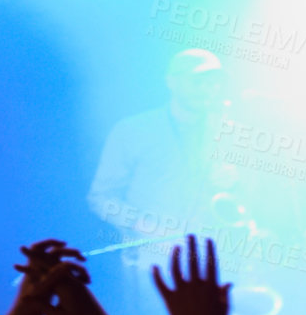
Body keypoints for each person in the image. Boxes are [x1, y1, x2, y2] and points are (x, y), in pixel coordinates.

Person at [87, 49, 232, 245]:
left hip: (211, 258)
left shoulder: (227, 132)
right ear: (171, 82)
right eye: (198, 80)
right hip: (151, 259)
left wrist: (237, 183)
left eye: (214, 82)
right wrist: (144, 225)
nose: (207, 88)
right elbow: (101, 198)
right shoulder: (132, 130)